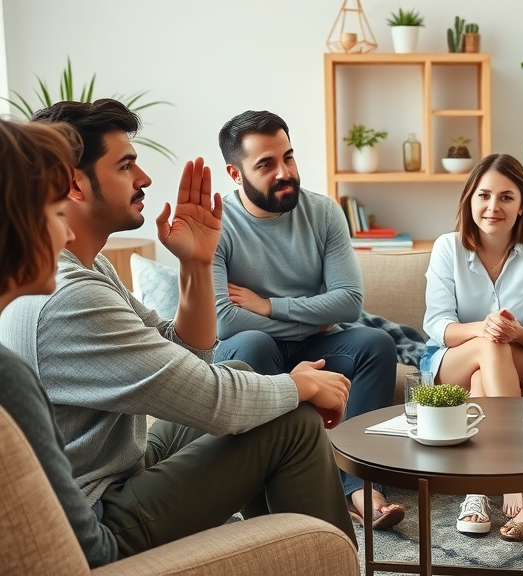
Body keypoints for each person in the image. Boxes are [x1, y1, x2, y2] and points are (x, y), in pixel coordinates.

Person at [0, 99, 356, 556]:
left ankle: (285, 548)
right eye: (126, 165)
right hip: (100, 517)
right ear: (73, 184)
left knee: (250, 379)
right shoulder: (70, 297)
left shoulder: (92, 270)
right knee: (292, 420)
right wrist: (297, 385)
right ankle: (328, 559)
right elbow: (213, 400)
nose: (145, 178)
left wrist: (196, 264)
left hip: (118, 471)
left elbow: (186, 355)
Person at [213, 110, 402, 530]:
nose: (285, 173)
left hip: (313, 347)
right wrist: (309, 314)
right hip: (250, 350)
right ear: (234, 172)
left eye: (289, 157)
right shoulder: (217, 225)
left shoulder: (323, 212)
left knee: (375, 344)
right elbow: (225, 323)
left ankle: (358, 486)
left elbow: (349, 304)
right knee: (252, 346)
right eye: (265, 164)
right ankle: (273, 487)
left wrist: (267, 306)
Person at [421, 153, 523, 539]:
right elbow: (437, 326)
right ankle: (516, 471)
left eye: (506, 197)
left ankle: (478, 488)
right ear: (469, 200)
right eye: (483, 195)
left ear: (522, 205)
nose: (493, 207)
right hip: (453, 358)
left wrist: (513, 333)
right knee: (487, 345)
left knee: (488, 368)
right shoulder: (448, 247)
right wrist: (484, 328)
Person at [0, 119, 118, 567]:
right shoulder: (7, 379)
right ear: (15, 223)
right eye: (55, 212)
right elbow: (91, 550)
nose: (67, 233)